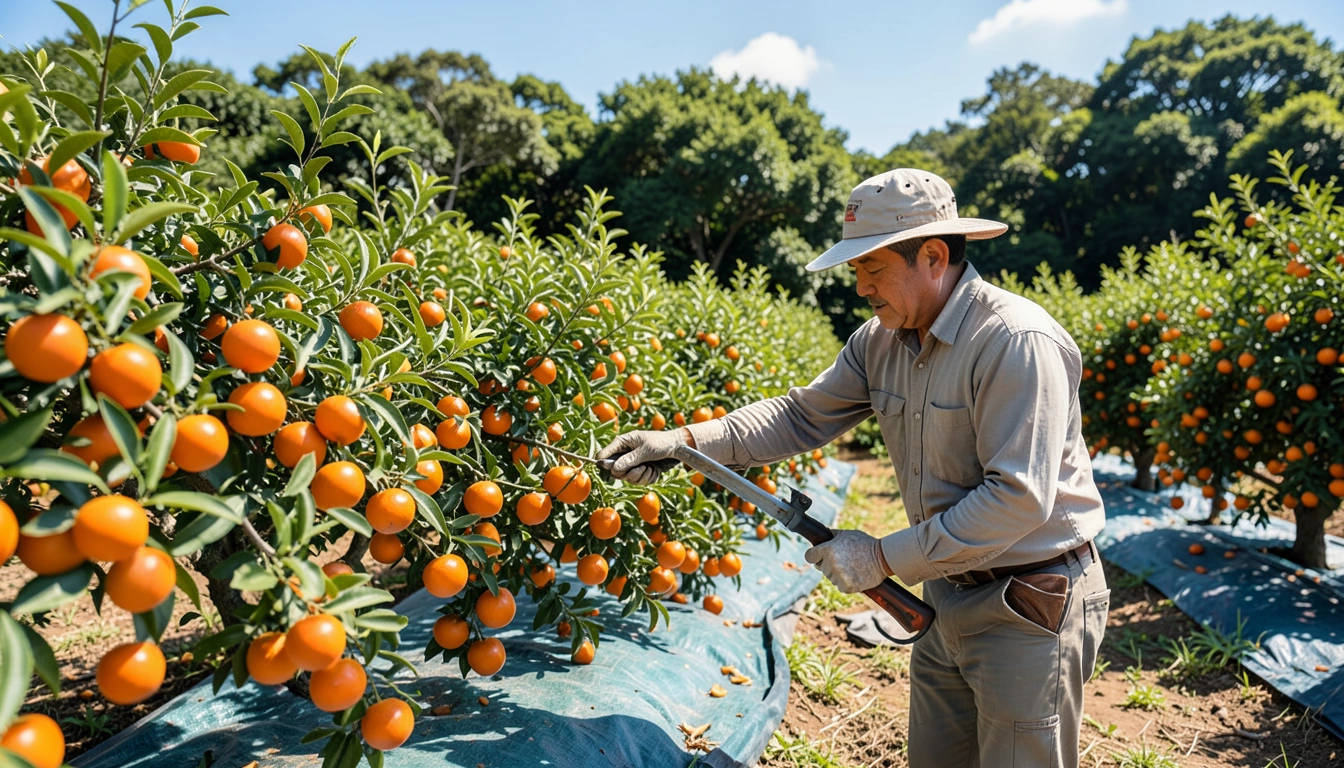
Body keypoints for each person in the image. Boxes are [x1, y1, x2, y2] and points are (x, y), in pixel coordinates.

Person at [597, 168, 1110, 768]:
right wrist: (682, 441)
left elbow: (1019, 499)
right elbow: (797, 416)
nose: (861, 288)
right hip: (945, 591)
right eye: (856, 272)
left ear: (934, 255)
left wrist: (882, 558)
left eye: (873, 269)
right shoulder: (880, 342)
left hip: (1029, 598)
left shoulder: (1013, 341)